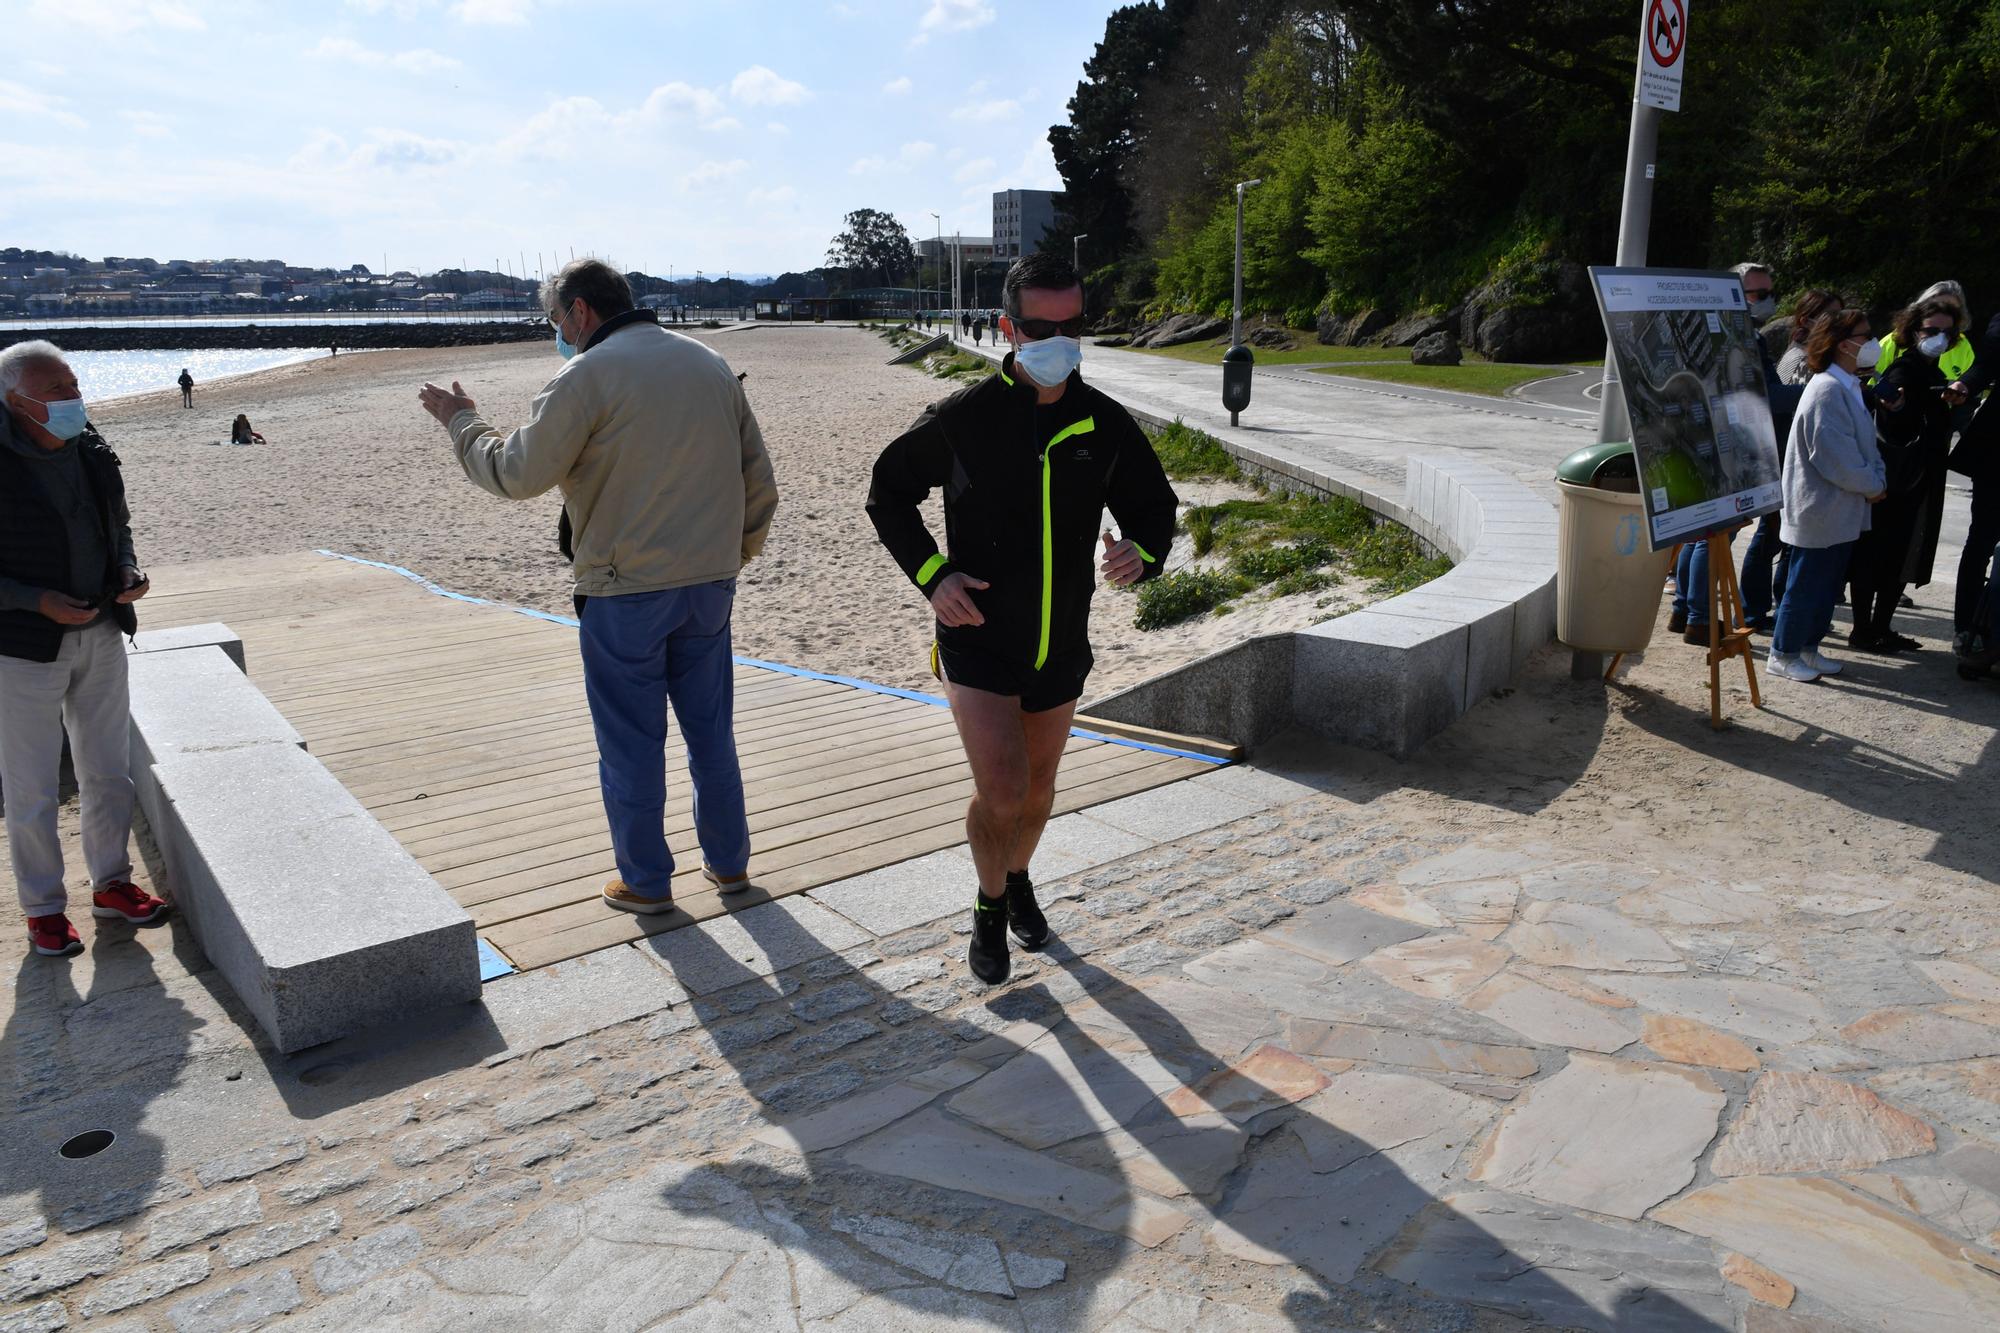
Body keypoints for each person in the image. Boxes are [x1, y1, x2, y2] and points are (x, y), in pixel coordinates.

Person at [418, 259, 779, 916]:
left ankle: (645, 881)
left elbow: (515, 473)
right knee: (711, 734)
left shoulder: (584, 375)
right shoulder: (708, 364)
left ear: (580, 311)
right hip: (708, 585)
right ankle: (728, 865)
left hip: (623, 590)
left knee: (631, 743)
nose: (557, 331)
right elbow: (761, 484)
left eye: (556, 320)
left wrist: (461, 422)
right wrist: (730, 556)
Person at [867, 252, 1178, 985]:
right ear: (1008, 329)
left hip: (1061, 640)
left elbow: (1154, 507)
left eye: (1074, 326)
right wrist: (932, 575)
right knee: (1003, 789)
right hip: (977, 638)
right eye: (1044, 327)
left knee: (1038, 794)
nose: (1061, 341)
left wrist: (1144, 552)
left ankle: (1019, 879)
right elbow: (887, 494)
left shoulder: (1102, 423)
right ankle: (988, 903)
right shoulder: (963, 420)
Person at [0, 341, 167, 957]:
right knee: (32, 786)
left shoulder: (91, 447)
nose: (73, 398)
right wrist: (34, 601)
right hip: (21, 649)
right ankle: (43, 909)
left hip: (101, 630)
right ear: (16, 402)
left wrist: (128, 573)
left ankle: (112, 884)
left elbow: (118, 527)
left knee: (108, 771)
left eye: (73, 384)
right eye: (56, 391)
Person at [1670, 264, 1803, 640]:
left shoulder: (1715, 327)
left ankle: (1684, 609)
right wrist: (1815, 390)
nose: (1766, 302)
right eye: (1756, 294)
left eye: (1768, 293)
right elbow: (1762, 395)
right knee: (1716, 534)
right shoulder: (1736, 334)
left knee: (1703, 533)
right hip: (1729, 445)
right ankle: (1698, 618)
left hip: (1710, 439)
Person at [1769, 310, 1888, 682]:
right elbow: (1834, 456)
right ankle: (1783, 653)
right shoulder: (1827, 389)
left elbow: (1863, 447)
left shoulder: (1847, 385)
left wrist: (1875, 477)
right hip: (1820, 509)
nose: (1871, 343)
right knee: (1805, 587)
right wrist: (1873, 485)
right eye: (1865, 336)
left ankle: (1807, 647)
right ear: (1842, 344)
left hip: (1838, 510)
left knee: (1824, 589)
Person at [1849, 299, 1959, 653]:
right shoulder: (1904, 370)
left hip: (1915, 479)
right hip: (1894, 482)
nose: (1940, 338)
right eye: (1932, 330)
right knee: (1878, 553)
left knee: (1900, 555)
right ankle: (1865, 629)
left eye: (1947, 331)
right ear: (1913, 331)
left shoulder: (1933, 372)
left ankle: (1880, 626)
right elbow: (1892, 427)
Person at [1947, 303, 1999, 651]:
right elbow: (1986, 365)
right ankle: (1966, 626)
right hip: (1996, 451)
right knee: (1982, 538)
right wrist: (1965, 384)